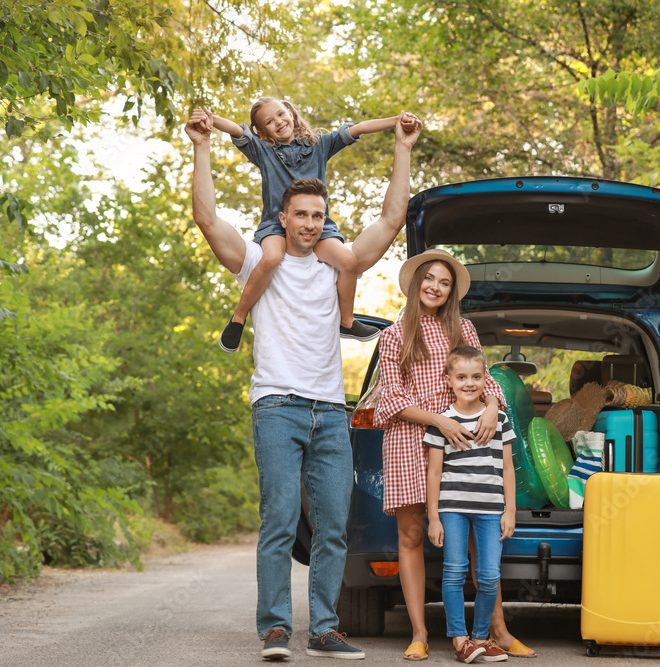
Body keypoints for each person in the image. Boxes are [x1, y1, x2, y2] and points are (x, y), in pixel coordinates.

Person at [185, 108, 422, 661]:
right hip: (278, 407)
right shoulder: (255, 264)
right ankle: (274, 630)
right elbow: (207, 218)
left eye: (319, 214)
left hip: (331, 413)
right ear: (283, 217)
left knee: (334, 528)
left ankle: (323, 630)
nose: (311, 223)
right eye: (301, 215)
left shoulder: (337, 266)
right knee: (280, 518)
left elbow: (391, 220)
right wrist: (201, 147)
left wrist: (402, 148)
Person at [374, 248, 537, 661]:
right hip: (411, 440)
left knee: (476, 540)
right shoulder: (394, 335)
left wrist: (493, 408)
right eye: (429, 279)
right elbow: (389, 399)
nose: (435, 286)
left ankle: (496, 630)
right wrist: (439, 421)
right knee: (411, 536)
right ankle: (420, 633)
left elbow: (489, 381)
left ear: (452, 292)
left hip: (465, 442)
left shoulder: (463, 328)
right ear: (415, 284)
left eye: (444, 282)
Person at [204, 98, 418, 352]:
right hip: (275, 224)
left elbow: (357, 129)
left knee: (348, 262)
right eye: (269, 122)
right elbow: (238, 131)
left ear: (292, 114)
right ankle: (238, 318)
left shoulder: (319, 145)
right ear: (262, 132)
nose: (279, 122)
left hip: (319, 227)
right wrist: (211, 120)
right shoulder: (263, 151)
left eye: (281, 114)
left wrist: (396, 121)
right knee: (271, 258)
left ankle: (347, 321)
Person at [425, 346, 516, 663]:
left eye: (476, 376)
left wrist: (510, 511)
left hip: (491, 510)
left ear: (484, 380)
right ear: (448, 379)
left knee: (490, 575)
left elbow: (507, 468)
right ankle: (460, 640)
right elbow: (434, 471)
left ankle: (480, 637)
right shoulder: (442, 422)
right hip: (452, 509)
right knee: (454, 572)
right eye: (461, 377)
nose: (469, 383)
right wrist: (433, 517)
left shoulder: (499, 419)